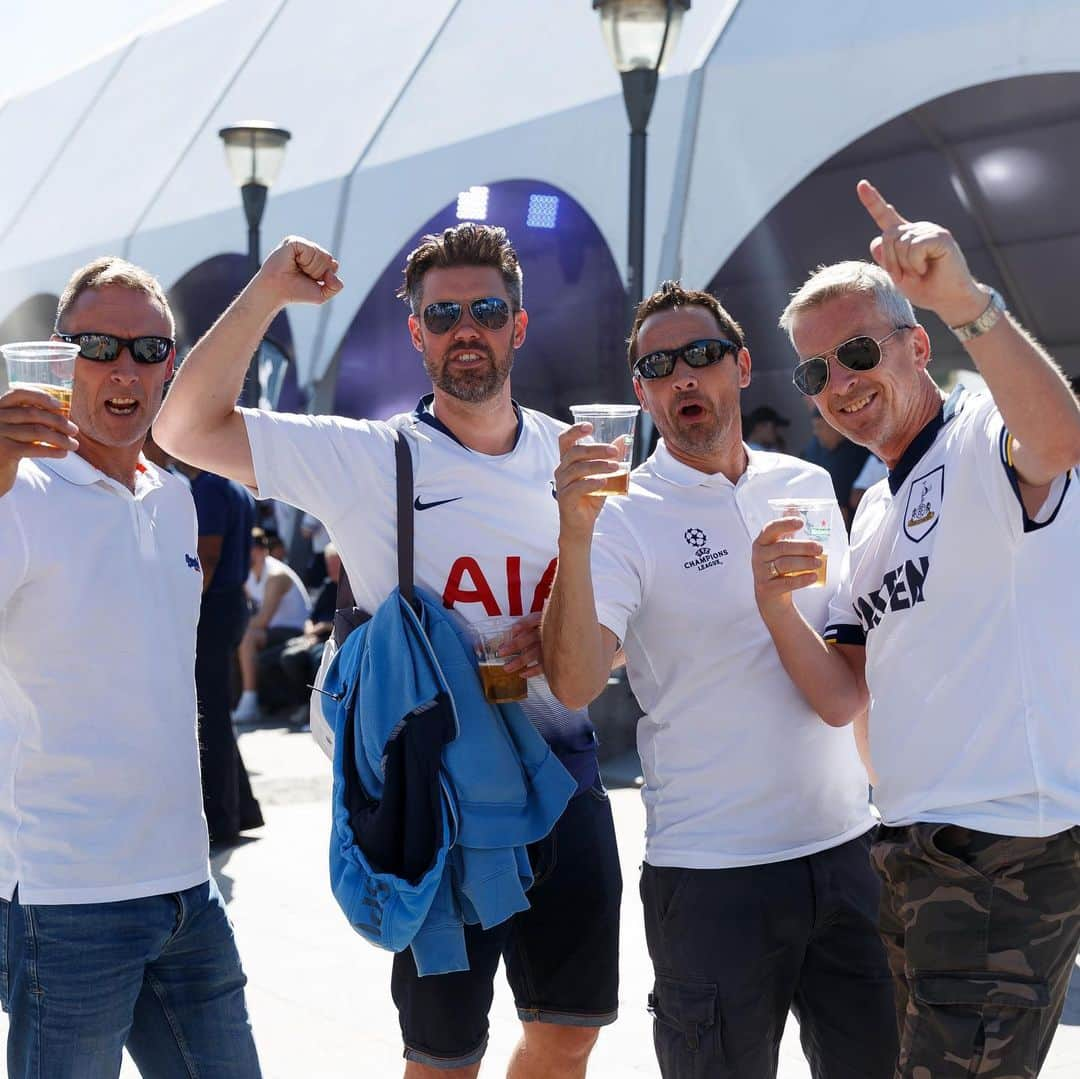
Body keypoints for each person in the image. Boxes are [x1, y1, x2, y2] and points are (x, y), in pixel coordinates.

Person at [154, 225, 621, 1078]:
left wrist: (572, 628)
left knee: (569, 1031)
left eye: (487, 309)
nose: (465, 328)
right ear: (417, 333)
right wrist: (266, 292)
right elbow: (185, 426)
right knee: (444, 1055)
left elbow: (619, 620)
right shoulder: (370, 460)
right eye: (443, 314)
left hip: (566, 775)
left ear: (520, 325)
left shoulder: (575, 454)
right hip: (441, 802)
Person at [757, 180, 1080, 1076]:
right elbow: (841, 696)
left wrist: (970, 302)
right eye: (815, 372)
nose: (840, 384)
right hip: (908, 850)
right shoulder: (869, 510)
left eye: (857, 351)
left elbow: (1058, 440)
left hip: (1004, 849)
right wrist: (774, 608)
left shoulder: (984, 438)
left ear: (916, 344)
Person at [541, 280, 896, 1079]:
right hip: (710, 876)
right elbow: (573, 682)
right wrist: (571, 531)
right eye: (659, 366)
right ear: (640, 392)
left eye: (700, 355)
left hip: (845, 853)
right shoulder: (619, 511)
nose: (682, 377)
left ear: (740, 366)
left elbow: (846, 681)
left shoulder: (805, 485)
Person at [0, 258, 260, 1076]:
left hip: (186, 886)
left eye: (148, 348)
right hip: (66, 899)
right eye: (99, 344)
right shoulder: (18, 490)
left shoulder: (175, 498)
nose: (125, 367)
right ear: (57, 355)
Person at [172, 459, 265, 847]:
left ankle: (222, 821)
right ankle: (239, 810)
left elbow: (205, 559)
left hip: (212, 607)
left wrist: (183, 613)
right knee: (216, 714)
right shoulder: (232, 484)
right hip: (228, 606)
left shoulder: (209, 487)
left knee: (208, 715)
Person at [233, 526, 311, 723]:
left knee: (246, 636)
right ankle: (239, 700)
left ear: (261, 551)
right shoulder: (247, 575)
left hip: (294, 632)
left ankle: (250, 702)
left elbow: (263, 619)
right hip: (270, 633)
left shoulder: (276, 575)